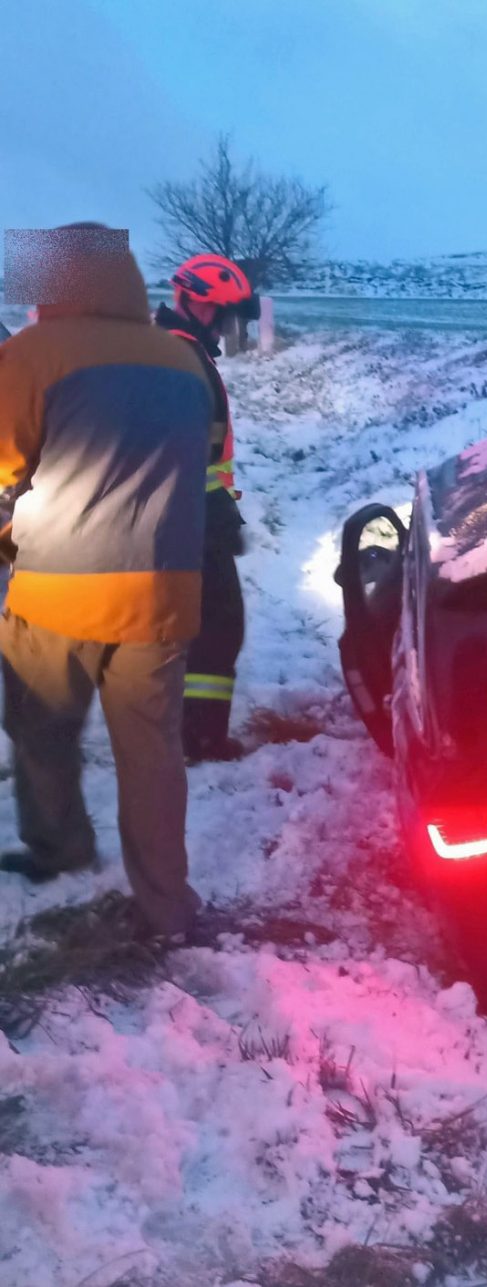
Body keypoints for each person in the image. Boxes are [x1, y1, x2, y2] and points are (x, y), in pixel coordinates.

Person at [0, 227, 211, 936]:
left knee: (40, 727)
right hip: (166, 590)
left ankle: (60, 847)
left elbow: (2, 464)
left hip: (60, 586)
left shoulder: (30, 354)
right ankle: (167, 905)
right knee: (153, 754)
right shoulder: (181, 361)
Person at [154, 255, 257, 762]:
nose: (228, 326)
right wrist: (215, 513)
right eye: (224, 313)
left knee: (192, 627)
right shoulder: (180, 358)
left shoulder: (173, 350)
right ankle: (200, 737)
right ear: (197, 304)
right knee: (219, 627)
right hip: (187, 518)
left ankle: (183, 729)